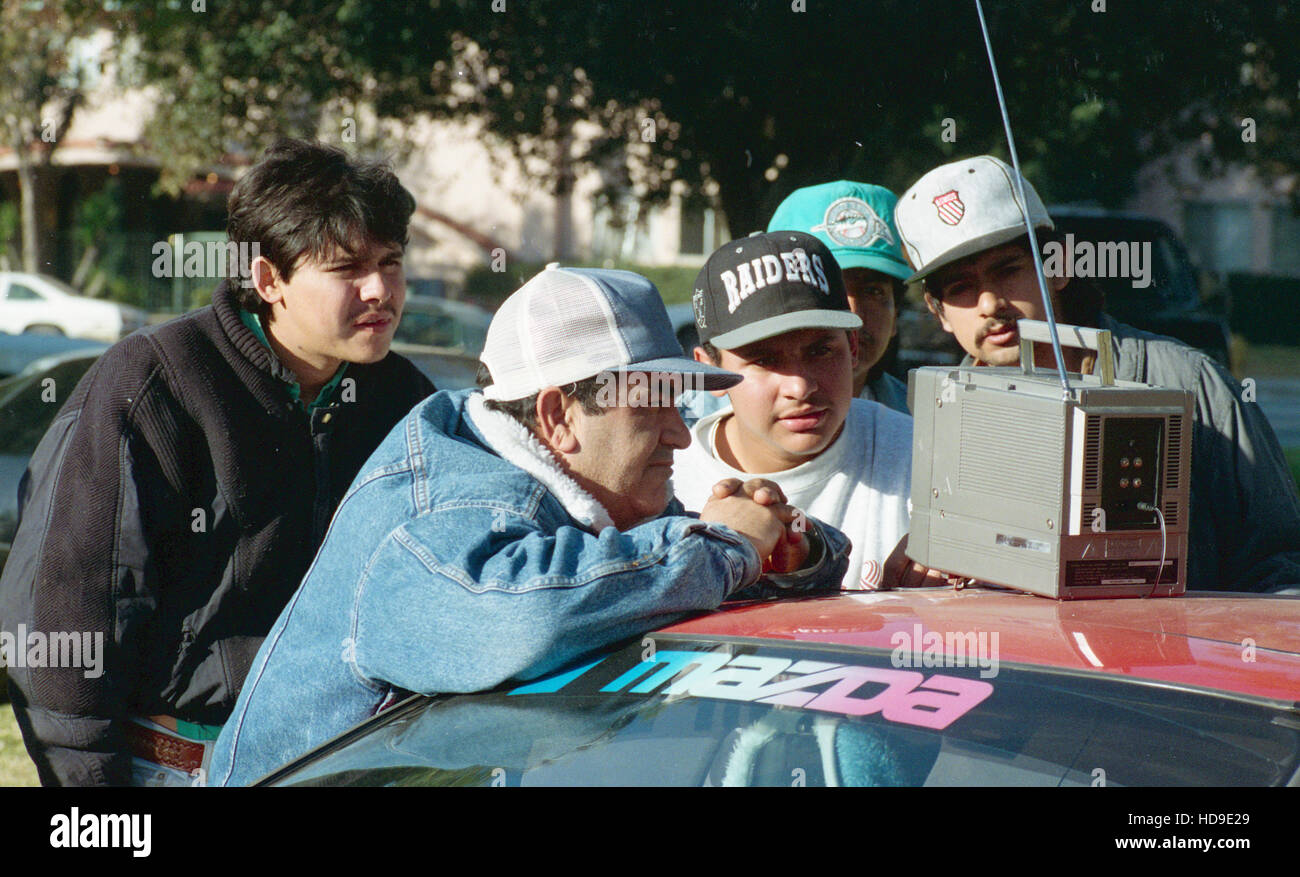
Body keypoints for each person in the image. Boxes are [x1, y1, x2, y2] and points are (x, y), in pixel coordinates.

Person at [208, 264, 851, 786]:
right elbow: (525, 617)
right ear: (557, 417)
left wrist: (789, 552)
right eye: (651, 403)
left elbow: (649, 576)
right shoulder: (440, 518)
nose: (681, 432)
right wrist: (723, 544)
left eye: (678, 403)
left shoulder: (570, 488)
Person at [0, 138, 436, 786]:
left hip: (350, 762)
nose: (380, 289)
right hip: (172, 769)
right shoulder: (153, 383)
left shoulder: (407, 402)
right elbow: (66, 620)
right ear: (268, 279)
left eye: (391, 261)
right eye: (348, 268)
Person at [894, 154, 1300, 592]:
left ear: (1059, 267)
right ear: (938, 313)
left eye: (1008, 270)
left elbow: (1280, 561)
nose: (990, 304)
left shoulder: (1189, 382)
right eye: (960, 288)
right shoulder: (945, 417)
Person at [674, 231, 913, 591]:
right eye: (765, 360)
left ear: (853, 348)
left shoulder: (924, 458)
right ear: (710, 374)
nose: (800, 387)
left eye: (820, 351)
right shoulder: (664, 484)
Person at [767, 181, 913, 412]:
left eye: (873, 291)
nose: (854, 313)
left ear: (895, 315)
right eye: (830, 288)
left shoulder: (921, 422)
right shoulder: (700, 420)